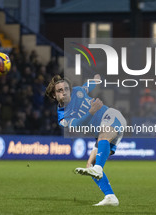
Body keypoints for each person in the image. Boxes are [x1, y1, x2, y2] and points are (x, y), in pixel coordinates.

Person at [46, 75, 127, 206]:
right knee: (90, 165)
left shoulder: (78, 91)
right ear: (54, 95)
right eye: (60, 90)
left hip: (111, 117)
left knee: (103, 136)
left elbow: (88, 86)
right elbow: (76, 124)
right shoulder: (62, 117)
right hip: (101, 132)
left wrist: (95, 79)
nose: (64, 92)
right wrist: (91, 111)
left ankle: (99, 169)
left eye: (66, 88)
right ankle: (110, 197)